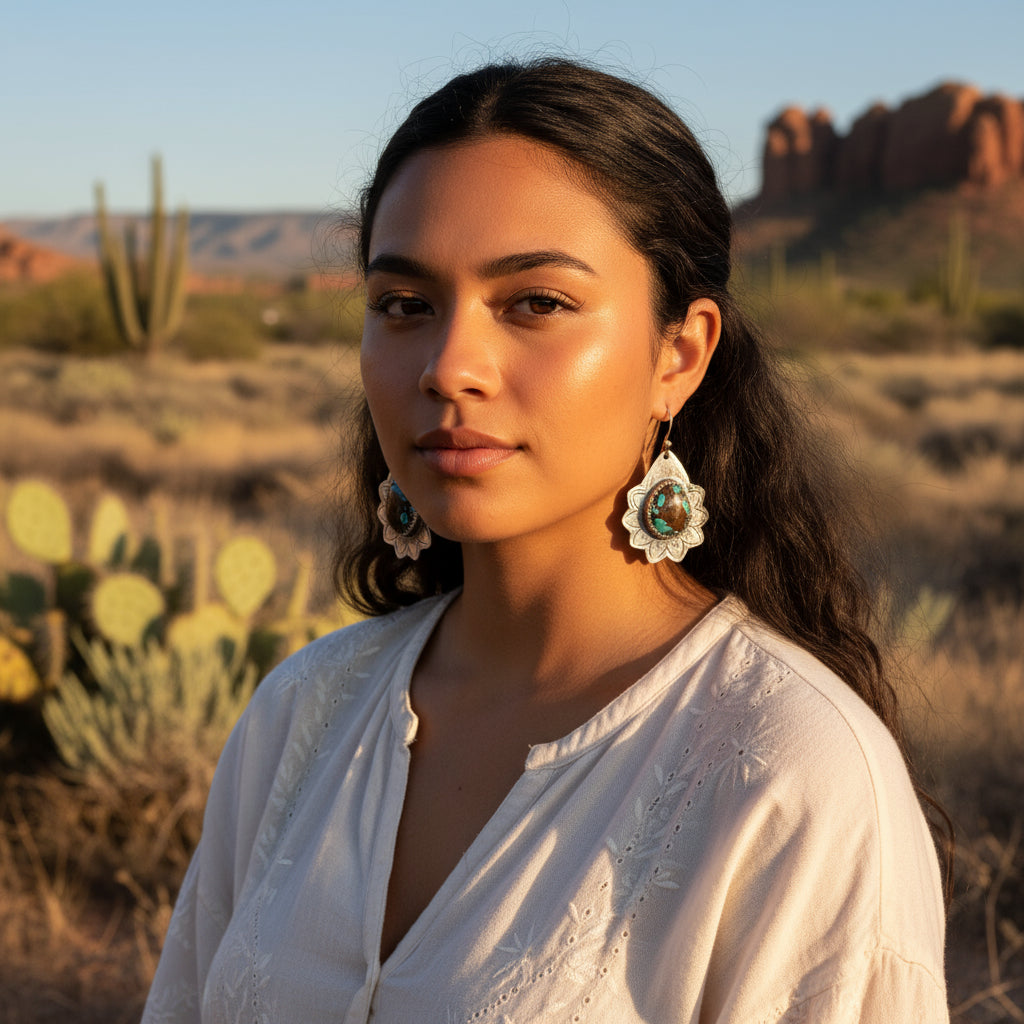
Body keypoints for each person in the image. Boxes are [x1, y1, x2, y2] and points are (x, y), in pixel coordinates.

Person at [142, 58, 949, 1023]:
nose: (449, 367)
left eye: (536, 303)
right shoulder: (303, 713)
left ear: (679, 354)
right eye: (404, 305)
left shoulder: (791, 773)